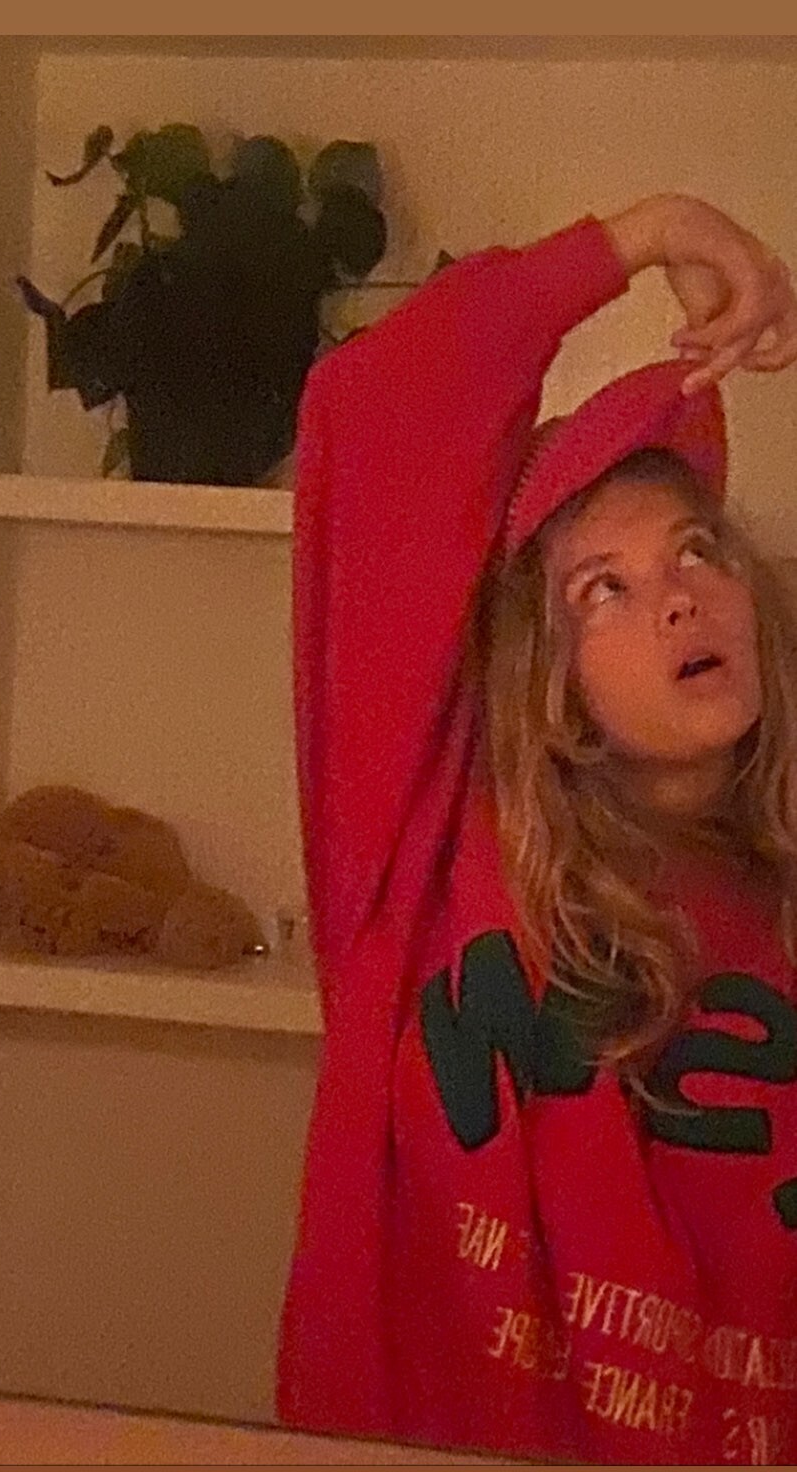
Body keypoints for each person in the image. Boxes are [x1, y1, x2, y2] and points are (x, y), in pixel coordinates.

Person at [277, 193, 797, 1466]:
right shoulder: (426, 846)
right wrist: (653, 230)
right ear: (545, 682)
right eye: (602, 587)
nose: (677, 597)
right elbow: (378, 404)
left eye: (696, 551)